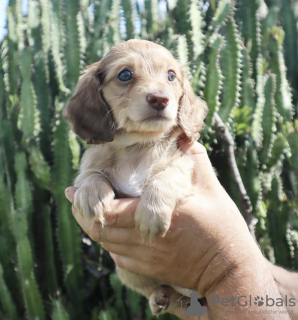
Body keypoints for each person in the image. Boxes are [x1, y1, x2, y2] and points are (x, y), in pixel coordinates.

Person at [65, 139, 298, 319]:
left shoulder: (174, 145)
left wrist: (224, 270)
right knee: (129, 275)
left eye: (170, 76)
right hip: (154, 278)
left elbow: (179, 173)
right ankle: (156, 289)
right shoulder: (102, 147)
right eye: (125, 76)